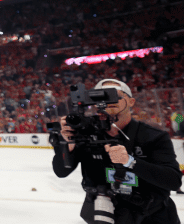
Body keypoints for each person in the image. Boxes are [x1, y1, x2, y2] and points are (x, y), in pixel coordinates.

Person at [53, 79, 182, 223]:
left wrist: (131, 162)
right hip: (106, 215)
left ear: (131, 102)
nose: (107, 101)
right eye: (99, 97)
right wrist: (68, 144)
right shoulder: (84, 134)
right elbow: (61, 171)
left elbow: (173, 181)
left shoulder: (153, 136)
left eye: (114, 95)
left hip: (152, 216)